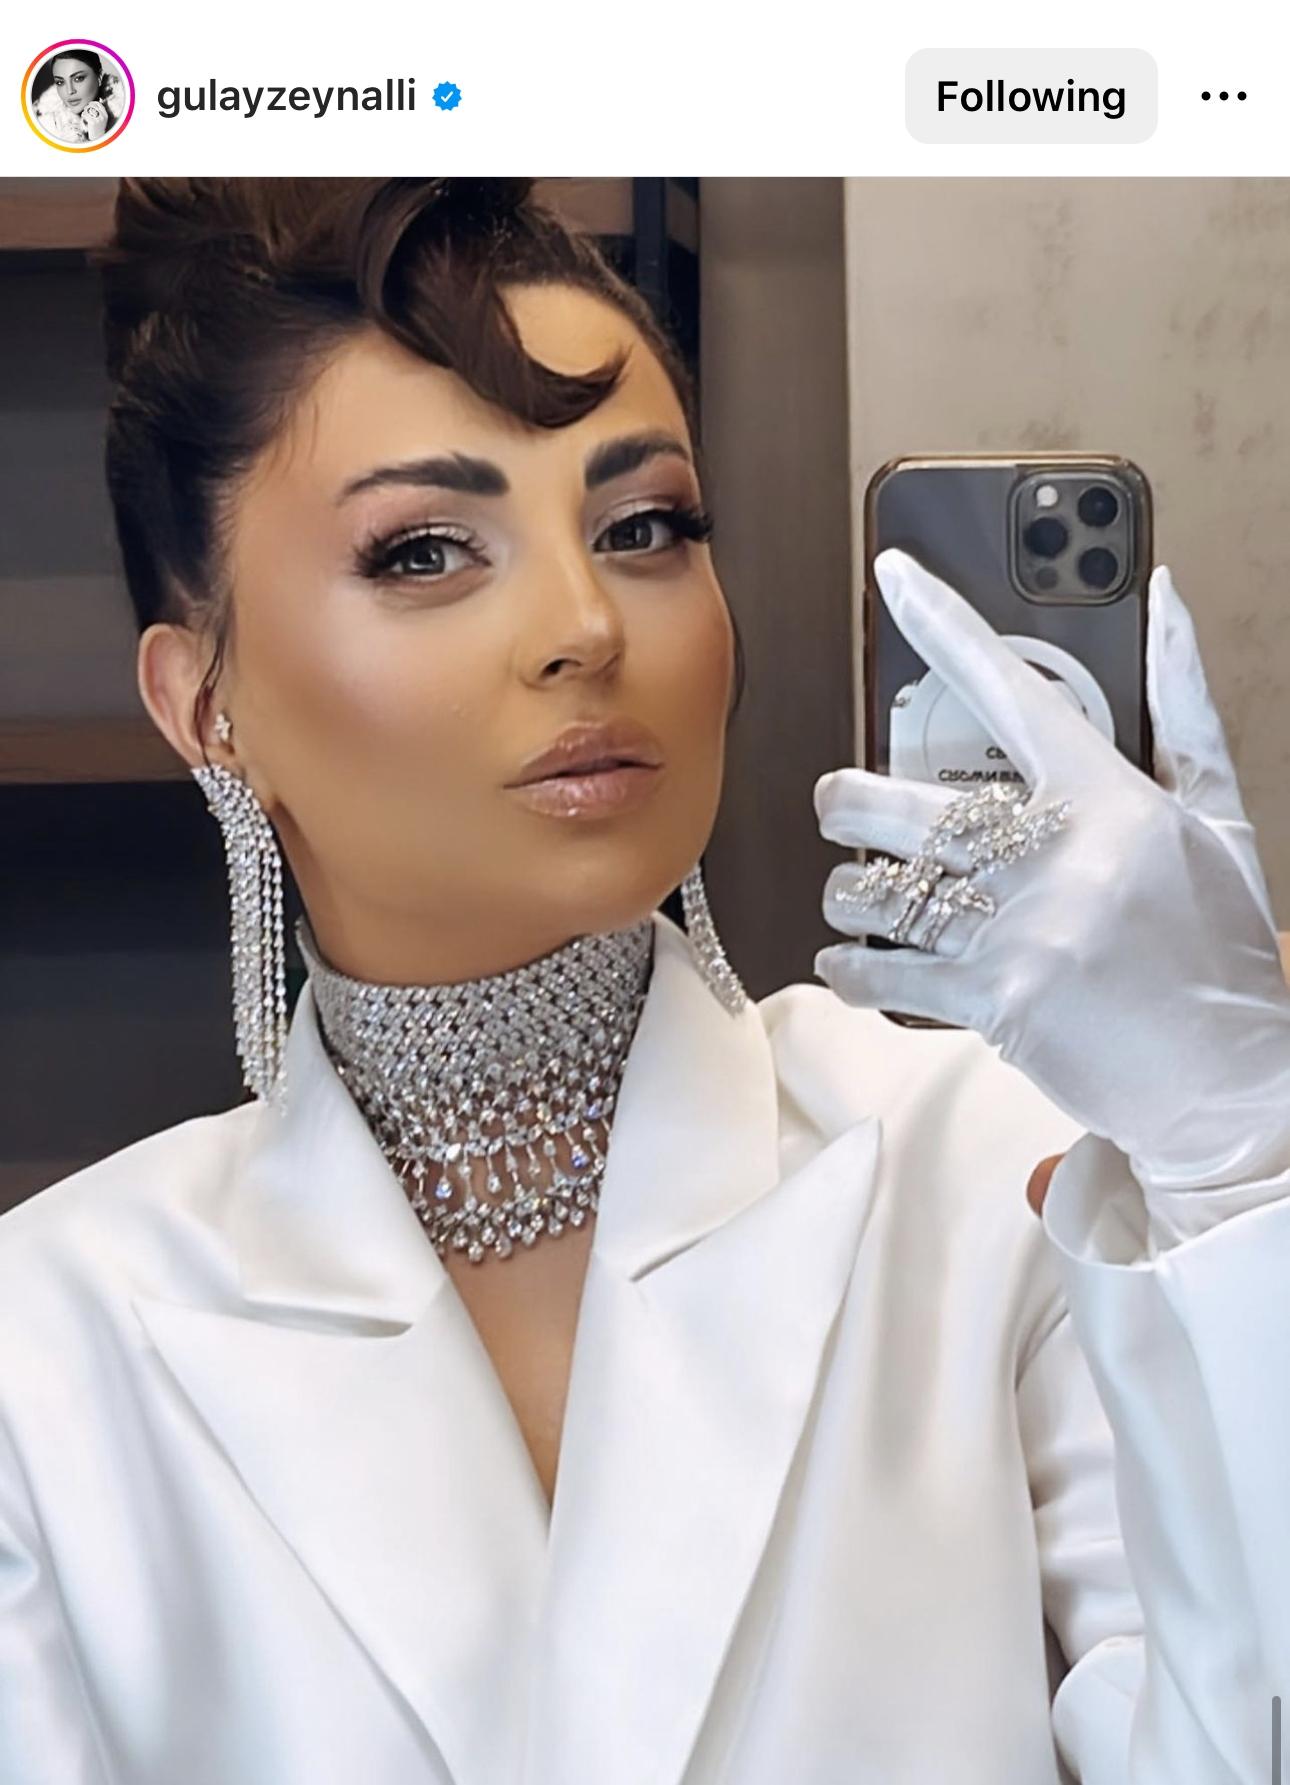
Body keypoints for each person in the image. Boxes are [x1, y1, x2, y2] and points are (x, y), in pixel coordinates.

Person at [0, 175, 1287, 1784]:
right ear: (204, 703)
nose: (584, 624)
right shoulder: (45, 1345)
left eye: (644, 527)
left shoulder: (986, 1167)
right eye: (424, 550)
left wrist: (1238, 1151)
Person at [30, 49, 125, 145]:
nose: (69, 91)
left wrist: (98, 137)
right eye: (60, 82)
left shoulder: (125, 113)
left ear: (99, 77)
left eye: (78, 78)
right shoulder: (44, 125)